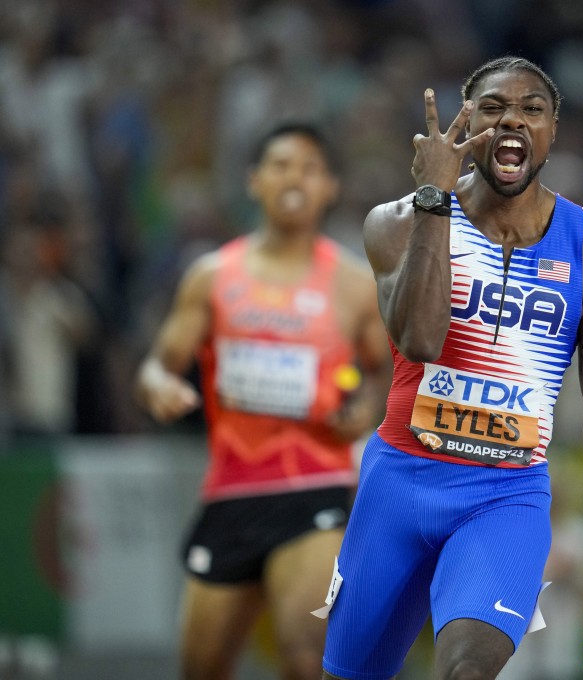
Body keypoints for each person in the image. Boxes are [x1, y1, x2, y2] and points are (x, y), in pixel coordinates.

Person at [320, 56, 583, 680]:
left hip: (505, 496)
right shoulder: (398, 222)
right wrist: (434, 200)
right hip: (399, 484)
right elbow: (420, 340)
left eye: (531, 110)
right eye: (493, 108)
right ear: (466, 124)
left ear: (552, 131)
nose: (512, 121)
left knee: (467, 672)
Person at [136, 121, 390, 680]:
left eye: (309, 168)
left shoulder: (353, 285)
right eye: (280, 166)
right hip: (232, 490)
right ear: (254, 180)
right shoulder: (211, 276)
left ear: (330, 186)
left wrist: (364, 409)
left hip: (315, 487)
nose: (294, 179)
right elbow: (158, 363)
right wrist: (159, 386)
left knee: (303, 656)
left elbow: (382, 373)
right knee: (200, 669)